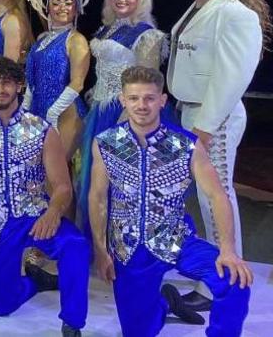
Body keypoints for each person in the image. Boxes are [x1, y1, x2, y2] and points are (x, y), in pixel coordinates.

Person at [88, 66, 252, 336]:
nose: (142, 105)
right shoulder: (105, 143)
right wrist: (101, 250)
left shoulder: (186, 144)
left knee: (235, 283)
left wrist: (228, 249)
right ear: (122, 100)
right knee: (139, 331)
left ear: (162, 100)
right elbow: (97, 198)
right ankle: (165, 303)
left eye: (150, 98)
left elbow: (217, 195)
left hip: (176, 239)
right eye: (134, 98)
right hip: (128, 247)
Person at [167, 0, 268, 312]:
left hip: (214, 117)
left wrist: (205, 129)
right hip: (191, 111)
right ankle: (215, 274)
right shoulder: (201, 7)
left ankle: (224, 283)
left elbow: (231, 78)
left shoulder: (235, 13)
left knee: (217, 199)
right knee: (209, 200)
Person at [0, 56, 90, 337]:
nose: (0, 89)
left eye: (6, 82)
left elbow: (63, 186)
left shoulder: (42, 129)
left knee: (76, 245)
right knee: (2, 307)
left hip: (38, 215)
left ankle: (73, 322)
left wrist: (53, 213)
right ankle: (33, 283)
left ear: (19, 85)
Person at [77, 0, 180, 224]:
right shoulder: (106, 30)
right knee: (94, 183)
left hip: (126, 117)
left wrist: (127, 117)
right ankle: (98, 246)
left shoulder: (148, 35)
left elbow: (149, 83)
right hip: (100, 113)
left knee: (123, 183)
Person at [20, 0, 106, 159]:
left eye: (68, 3)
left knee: (58, 173)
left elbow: (77, 83)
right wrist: (26, 106)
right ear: (47, 8)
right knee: (39, 173)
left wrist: (54, 110)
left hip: (65, 111)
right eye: (56, 3)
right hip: (38, 109)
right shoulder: (41, 39)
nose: (62, 8)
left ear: (76, 8)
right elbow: (31, 76)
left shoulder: (76, 40)